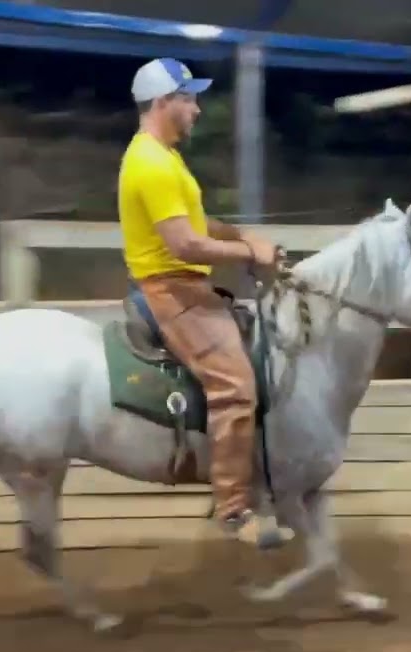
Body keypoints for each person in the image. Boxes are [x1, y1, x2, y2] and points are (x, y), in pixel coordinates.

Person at [117, 57, 281, 541]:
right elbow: (185, 245)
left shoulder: (165, 156)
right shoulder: (150, 163)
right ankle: (233, 509)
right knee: (235, 387)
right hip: (173, 289)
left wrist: (244, 237)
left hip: (189, 284)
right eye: (189, 99)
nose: (197, 109)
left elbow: (198, 224)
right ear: (164, 102)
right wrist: (249, 250)